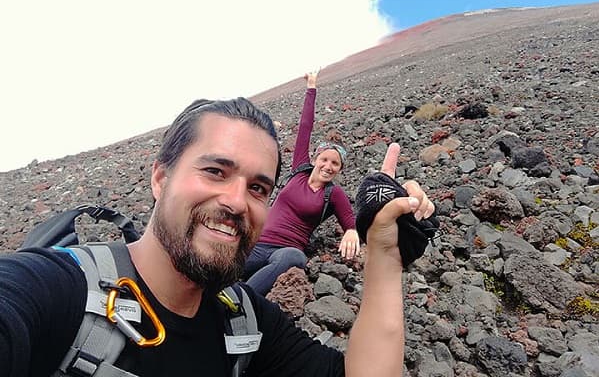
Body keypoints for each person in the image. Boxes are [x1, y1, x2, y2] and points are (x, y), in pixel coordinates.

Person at [0, 95, 435, 376]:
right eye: (214, 171)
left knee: (290, 260)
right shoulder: (56, 291)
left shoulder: (247, 325)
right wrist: (311, 93)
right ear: (160, 177)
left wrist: (384, 255)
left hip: (270, 255)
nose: (236, 200)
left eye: (259, 188)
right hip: (252, 253)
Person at [244, 70, 360, 296]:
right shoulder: (299, 170)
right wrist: (312, 87)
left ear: (340, 169)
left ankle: (241, 298)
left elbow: (351, 222)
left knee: (295, 258)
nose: (328, 166)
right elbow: (305, 127)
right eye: (325, 159)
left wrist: (352, 232)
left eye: (335, 164)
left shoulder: (333, 194)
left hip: (285, 251)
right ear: (316, 159)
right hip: (257, 244)